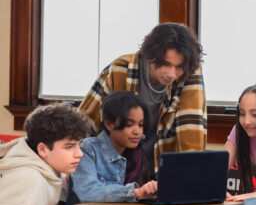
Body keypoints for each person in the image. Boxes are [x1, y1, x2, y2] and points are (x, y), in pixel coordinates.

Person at [79, 22, 207, 176]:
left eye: (178, 67)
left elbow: (191, 135)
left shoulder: (189, 75)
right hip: (114, 171)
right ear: (151, 55)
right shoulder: (121, 69)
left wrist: (195, 180)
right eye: (166, 64)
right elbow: (86, 122)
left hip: (163, 171)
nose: (171, 74)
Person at [63, 91, 158, 205]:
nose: (137, 131)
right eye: (130, 125)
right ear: (109, 123)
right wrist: (134, 192)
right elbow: (88, 192)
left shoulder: (138, 154)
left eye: (141, 124)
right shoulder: (87, 149)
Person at [0, 103, 92, 205]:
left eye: (79, 145)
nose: (79, 153)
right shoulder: (27, 179)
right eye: (69, 147)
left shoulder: (33, 158)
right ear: (42, 149)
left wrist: (60, 198)